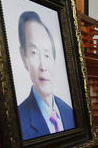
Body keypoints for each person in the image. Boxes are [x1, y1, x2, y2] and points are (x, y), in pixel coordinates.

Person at [17, 11, 75, 141]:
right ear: (23, 57)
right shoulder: (18, 122)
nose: (43, 66)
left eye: (47, 54)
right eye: (34, 53)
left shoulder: (69, 112)